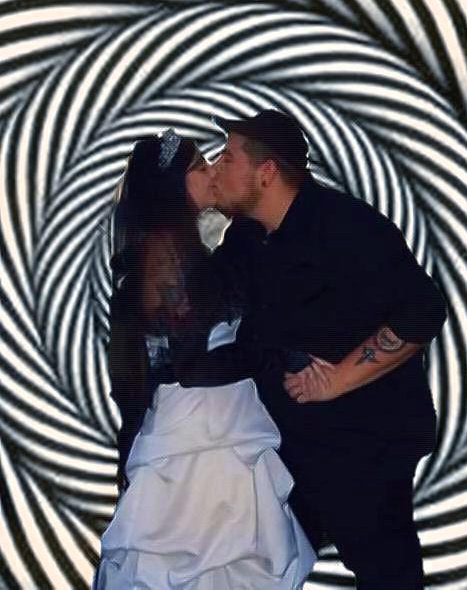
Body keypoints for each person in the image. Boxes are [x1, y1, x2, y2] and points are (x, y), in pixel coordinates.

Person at [178, 110, 448, 589]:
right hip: (284, 445)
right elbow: (196, 305)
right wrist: (189, 207)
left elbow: (423, 310)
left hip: (363, 443)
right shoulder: (246, 237)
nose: (216, 168)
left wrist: (339, 379)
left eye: (228, 158)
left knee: (387, 576)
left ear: (266, 171)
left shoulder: (346, 226)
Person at [92, 130, 316, 589]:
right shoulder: (167, 257)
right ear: (175, 186)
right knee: (207, 554)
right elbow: (190, 365)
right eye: (199, 166)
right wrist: (273, 357)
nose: (213, 171)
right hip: (200, 430)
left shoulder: (175, 249)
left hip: (211, 421)